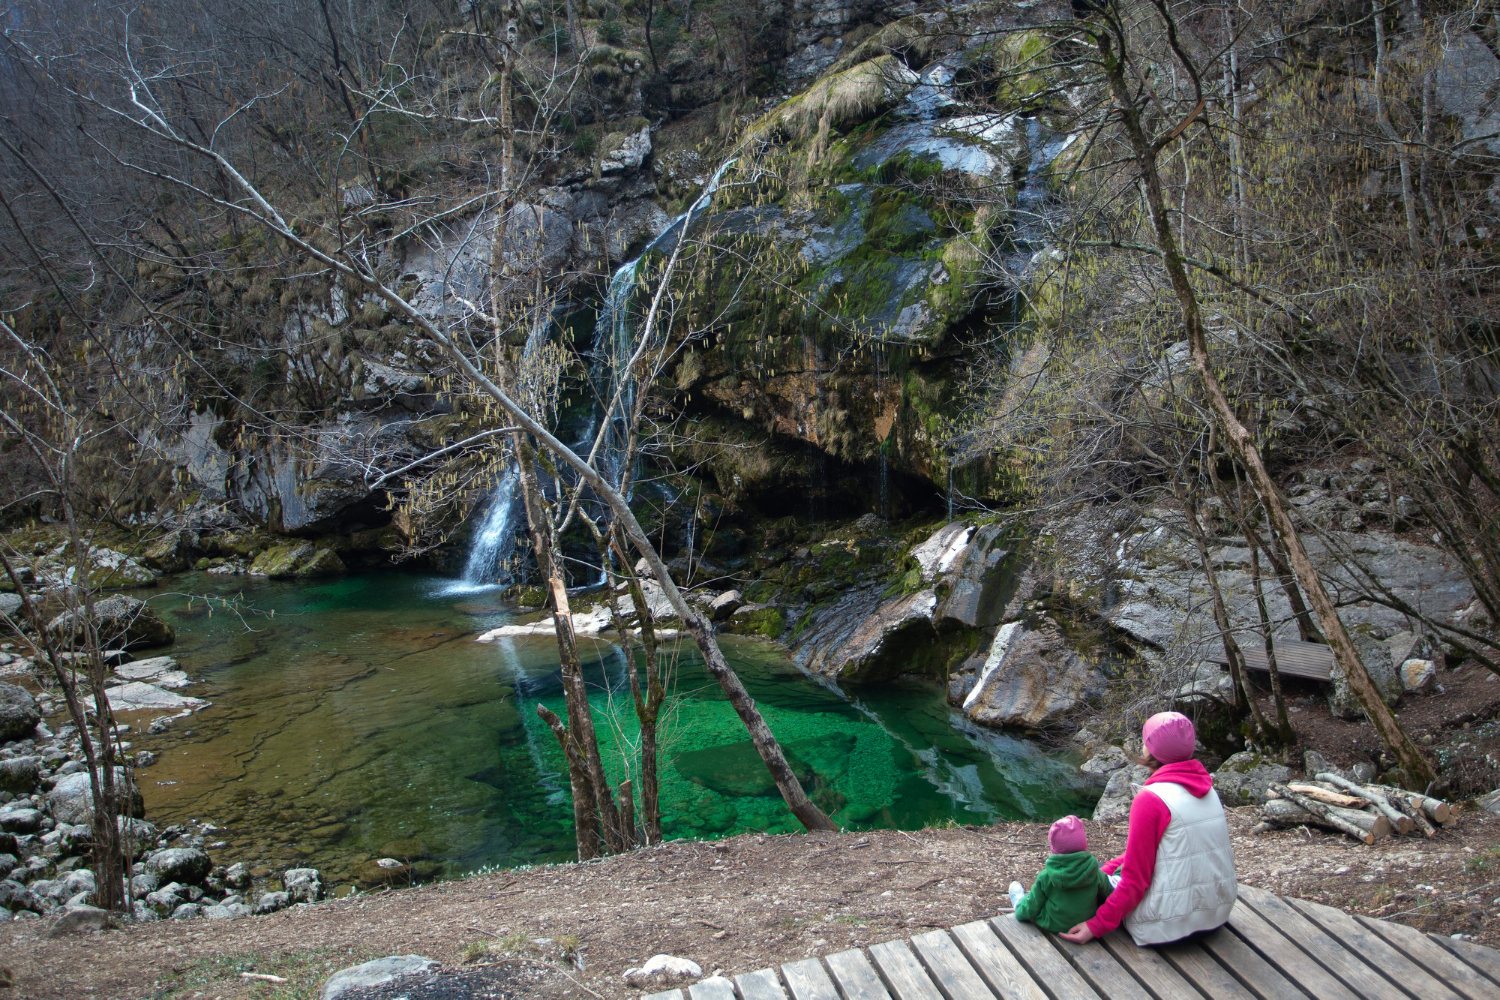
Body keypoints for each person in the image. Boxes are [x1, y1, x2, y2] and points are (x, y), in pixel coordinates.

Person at [1060, 711, 1236, 946]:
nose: (1143, 744)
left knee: (1082, 879)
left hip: (1166, 926)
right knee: (1102, 870)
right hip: (1216, 915)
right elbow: (1154, 853)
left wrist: (1096, 926)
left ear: (1154, 750)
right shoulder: (1207, 789)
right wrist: (1108, 869)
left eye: (1145, 740)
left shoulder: (1152, 799)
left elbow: (1136, 879)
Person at [1007, 814, 1114, 933]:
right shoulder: (1095, 872)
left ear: (1054, 849)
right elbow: (1110, 894)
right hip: (1085, 923)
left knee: (1029, 901)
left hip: (1053, 924)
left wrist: (1020, 914)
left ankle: (1018, 902)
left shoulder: (1046, 876)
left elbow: (1032, 904)